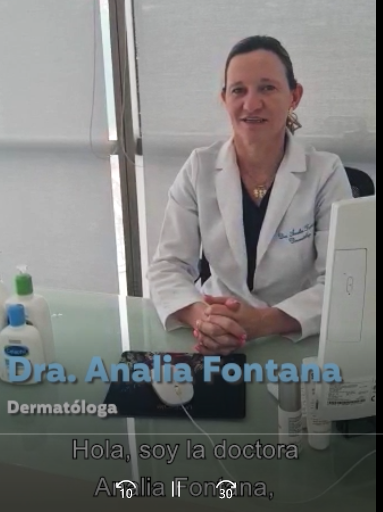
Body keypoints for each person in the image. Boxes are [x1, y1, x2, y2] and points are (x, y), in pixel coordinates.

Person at [146, 36, 353, 355]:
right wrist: (204, 320)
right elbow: (168, 266)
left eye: (267, 88)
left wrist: (263, 322)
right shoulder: (199, 167)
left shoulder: (325, 173)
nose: (251, 104)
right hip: (214, 336)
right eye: (238, 90)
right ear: (224, 98)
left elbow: (343, 283)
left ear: (294, 96)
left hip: (295, 337)